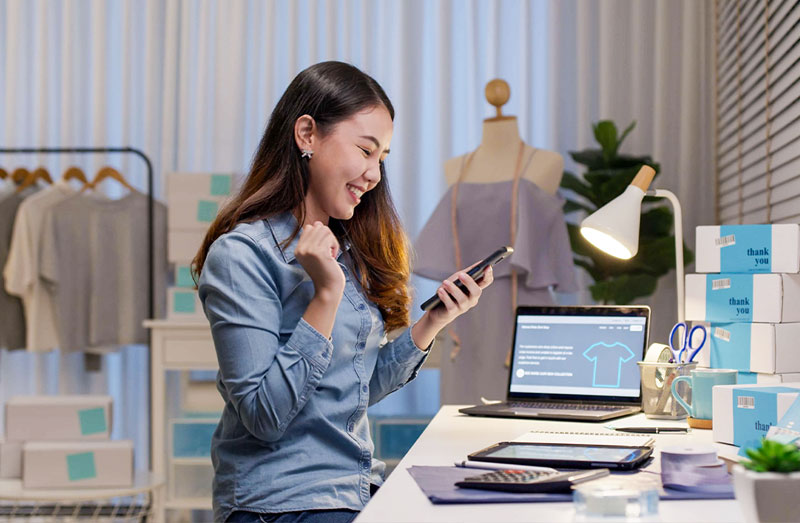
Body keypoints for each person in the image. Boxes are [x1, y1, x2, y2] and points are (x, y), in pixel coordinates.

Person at [193, 61, 495, 523]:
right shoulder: (241, 257)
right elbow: (264, 416)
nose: (374, 174)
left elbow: (353, 390)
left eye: (383, 158)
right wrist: (325, 295)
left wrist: (433, 321)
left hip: (351, 488)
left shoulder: (346, 250)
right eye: (365, 150)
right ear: (307, 134)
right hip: (278, 503)